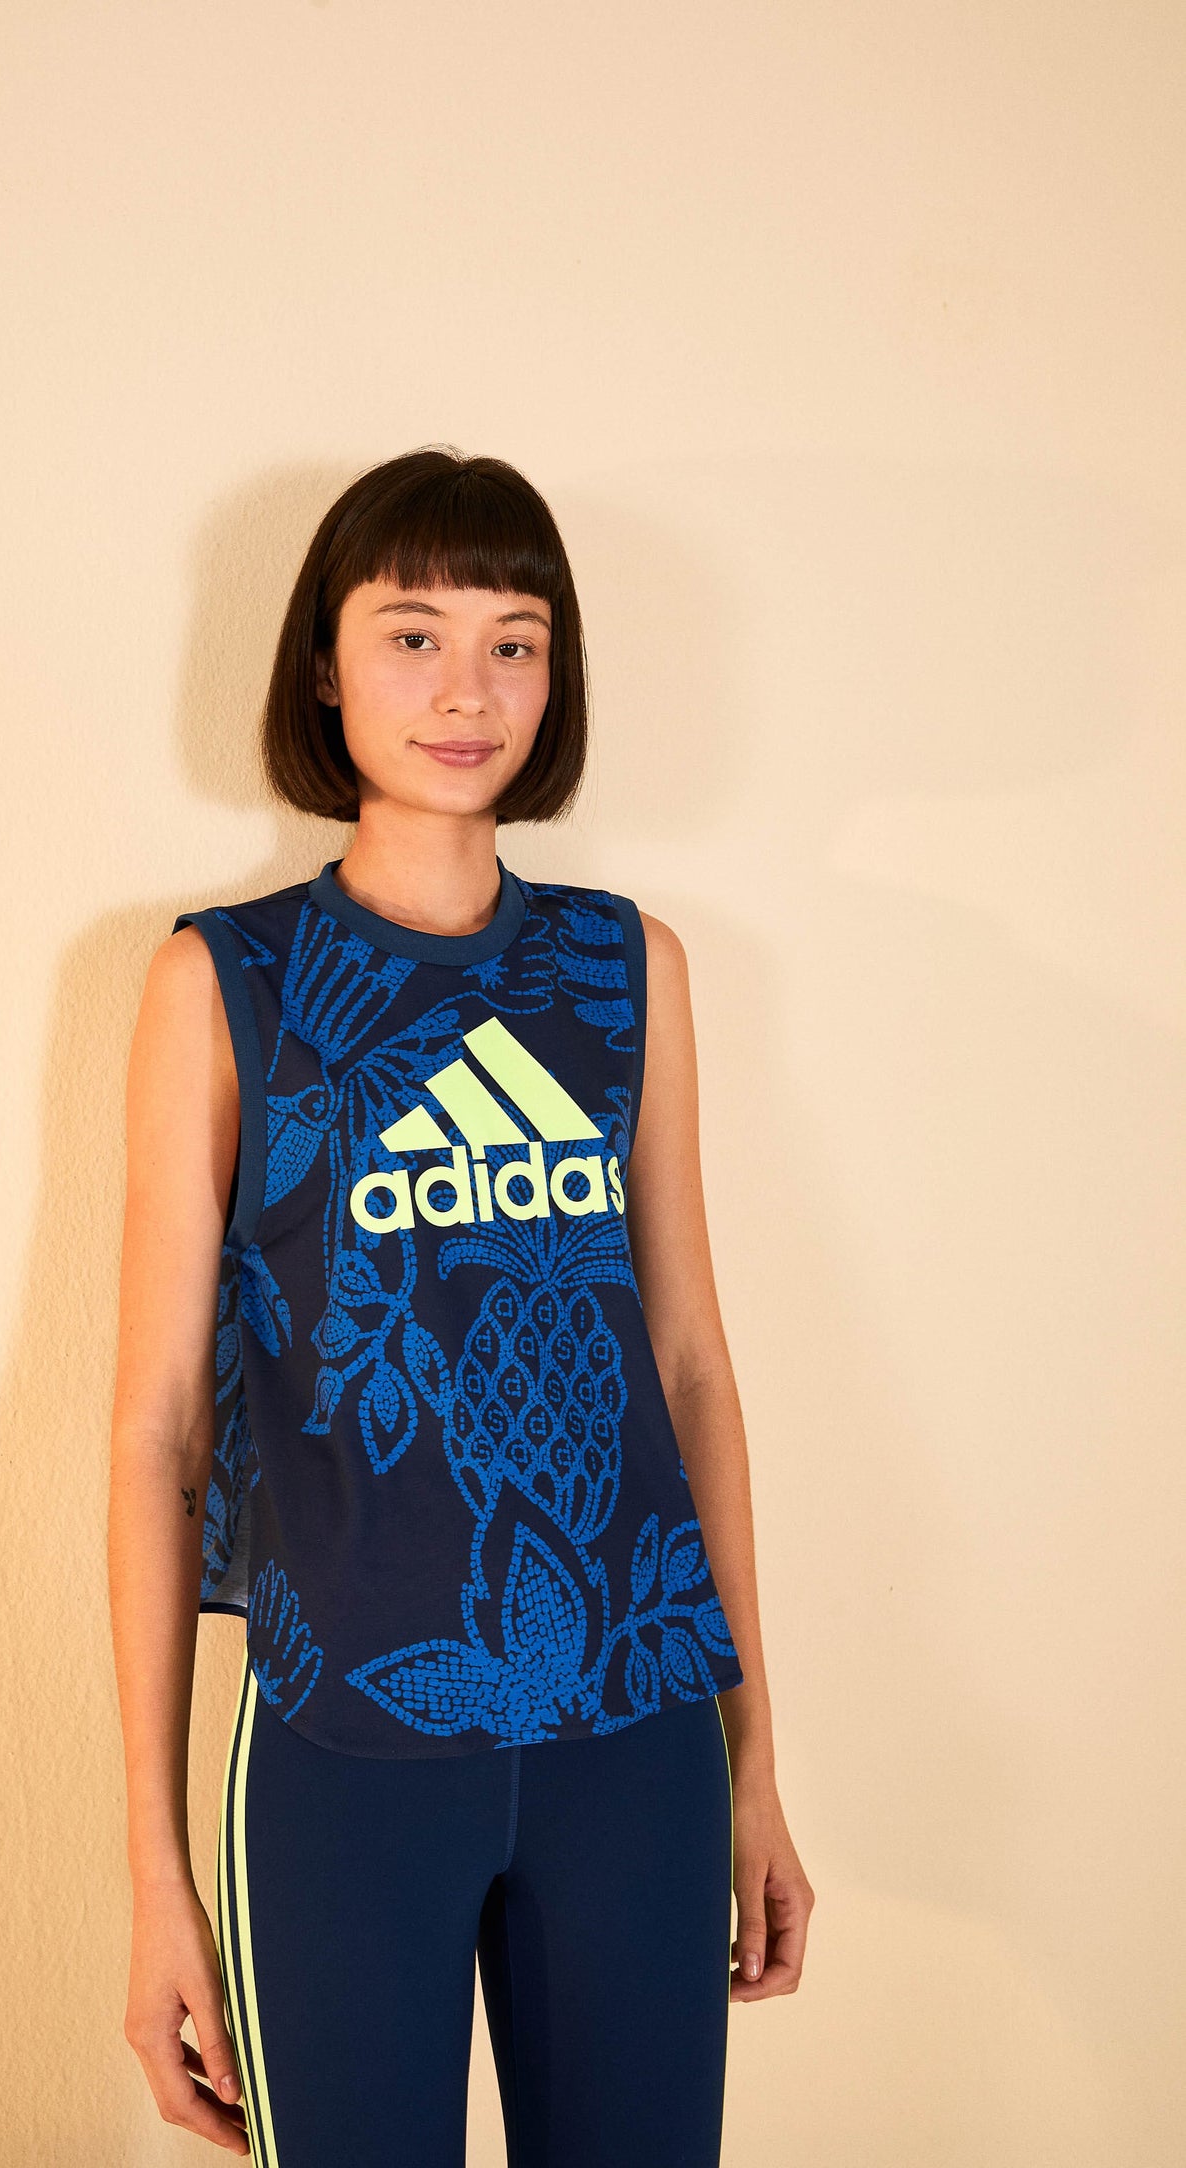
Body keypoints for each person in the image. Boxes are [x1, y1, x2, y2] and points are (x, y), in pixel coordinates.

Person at [108, 447, 814, 2164]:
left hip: (634, 1732)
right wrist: (155, 1875)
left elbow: (686, 1370)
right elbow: (156, 1433)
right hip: (345, 1740)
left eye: (515, 644)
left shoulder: (622, 967)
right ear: (323, 666)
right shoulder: (226, 982)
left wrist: (752, 1757)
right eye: (413, 635)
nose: (467, 691)